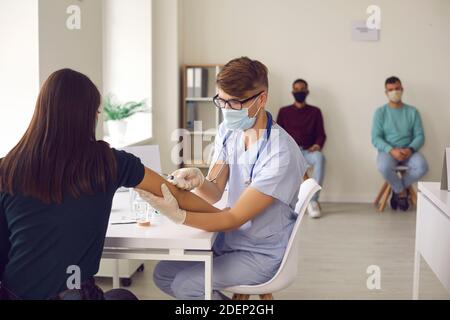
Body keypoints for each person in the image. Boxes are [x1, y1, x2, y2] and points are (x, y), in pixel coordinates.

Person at [0, 69, 221, 300]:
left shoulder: (7, 168)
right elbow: (173, 194)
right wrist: (224, 217)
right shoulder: (108, 162)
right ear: (88, 116)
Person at [137, 57, 308, 300]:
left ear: (261, 99)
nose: (227, 110)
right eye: (221, 101)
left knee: (187, 285)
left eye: (235, 103)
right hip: (228, 241)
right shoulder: (229, 131)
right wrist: (198, 179)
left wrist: (178, 215)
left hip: (259, 253)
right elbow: (216, 189)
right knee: (163, 274)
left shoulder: (281, 153)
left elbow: (234, 217)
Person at [371, 76, 428, 211]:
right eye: (390, 90)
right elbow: (375, 138)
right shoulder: (380, 112)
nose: (394, 92)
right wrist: (391, 150)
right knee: (383, 167)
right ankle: (402, 192)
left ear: (402, 89)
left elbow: (420, 136)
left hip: (409, 150)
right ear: (386, 92)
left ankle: (397, 190)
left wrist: (409, 149)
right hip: (388, 151)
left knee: (422, 166)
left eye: (397, 89)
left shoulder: (412, 112)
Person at [277, 79, 326, 218]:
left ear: (307, 91)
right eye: (296, 89)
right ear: (293, 92)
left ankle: (312, 200)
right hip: (290, 152)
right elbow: (278, 134)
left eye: (302, 89)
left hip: (308, 151)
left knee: (320, 158)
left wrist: (317, 145)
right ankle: (289, 202)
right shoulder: (284, 111)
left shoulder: (315, 112)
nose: (299, 92)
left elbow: (321, 134)